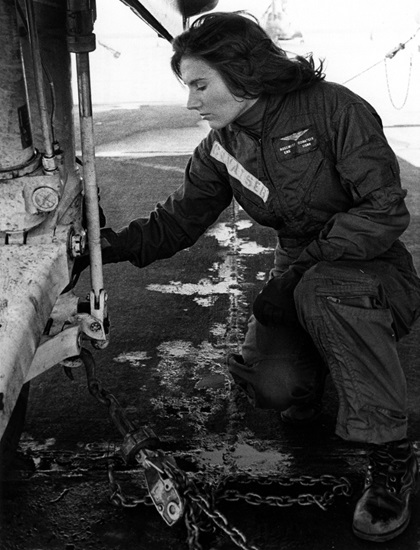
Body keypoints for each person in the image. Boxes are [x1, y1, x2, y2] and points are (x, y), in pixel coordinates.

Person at [80, 12, 420, 543]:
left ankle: (391, 455)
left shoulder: (334, 109)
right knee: (276, 389)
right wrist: (106, 248)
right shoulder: (221, 146)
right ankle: (321, 367)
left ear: (244, 72)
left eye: (199, 85)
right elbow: (177, 221)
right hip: (297, 265)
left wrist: (299, 273)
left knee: (321, 290)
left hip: (367, 262)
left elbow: (383, 210)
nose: (191, 102)